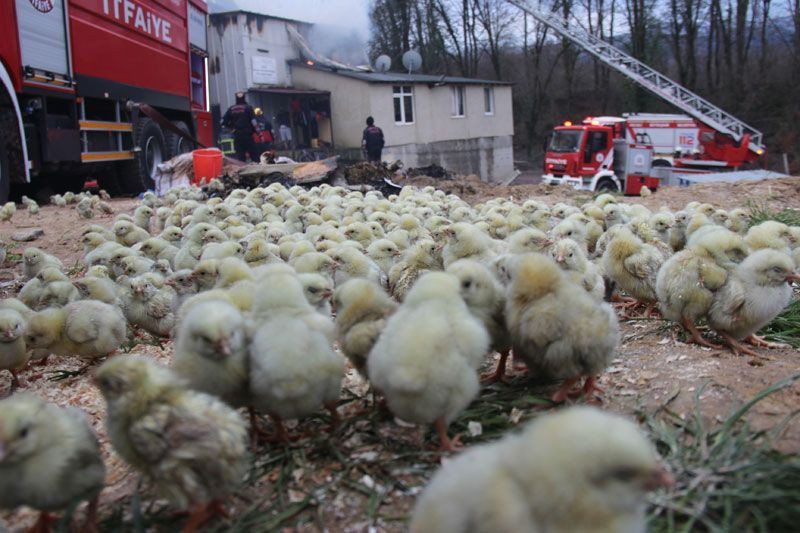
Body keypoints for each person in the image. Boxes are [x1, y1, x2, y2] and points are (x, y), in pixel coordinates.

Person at [221, 92, 258, 162]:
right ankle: (257, 169)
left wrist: (231, 128)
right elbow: (254, 122)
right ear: (244, 98)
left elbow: (222, 122)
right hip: (248, 135)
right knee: (254, 155)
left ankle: (242, 170)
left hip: (237, 135)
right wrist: (259, 133)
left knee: (240, 156)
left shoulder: (231, 109)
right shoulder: (248, 108)